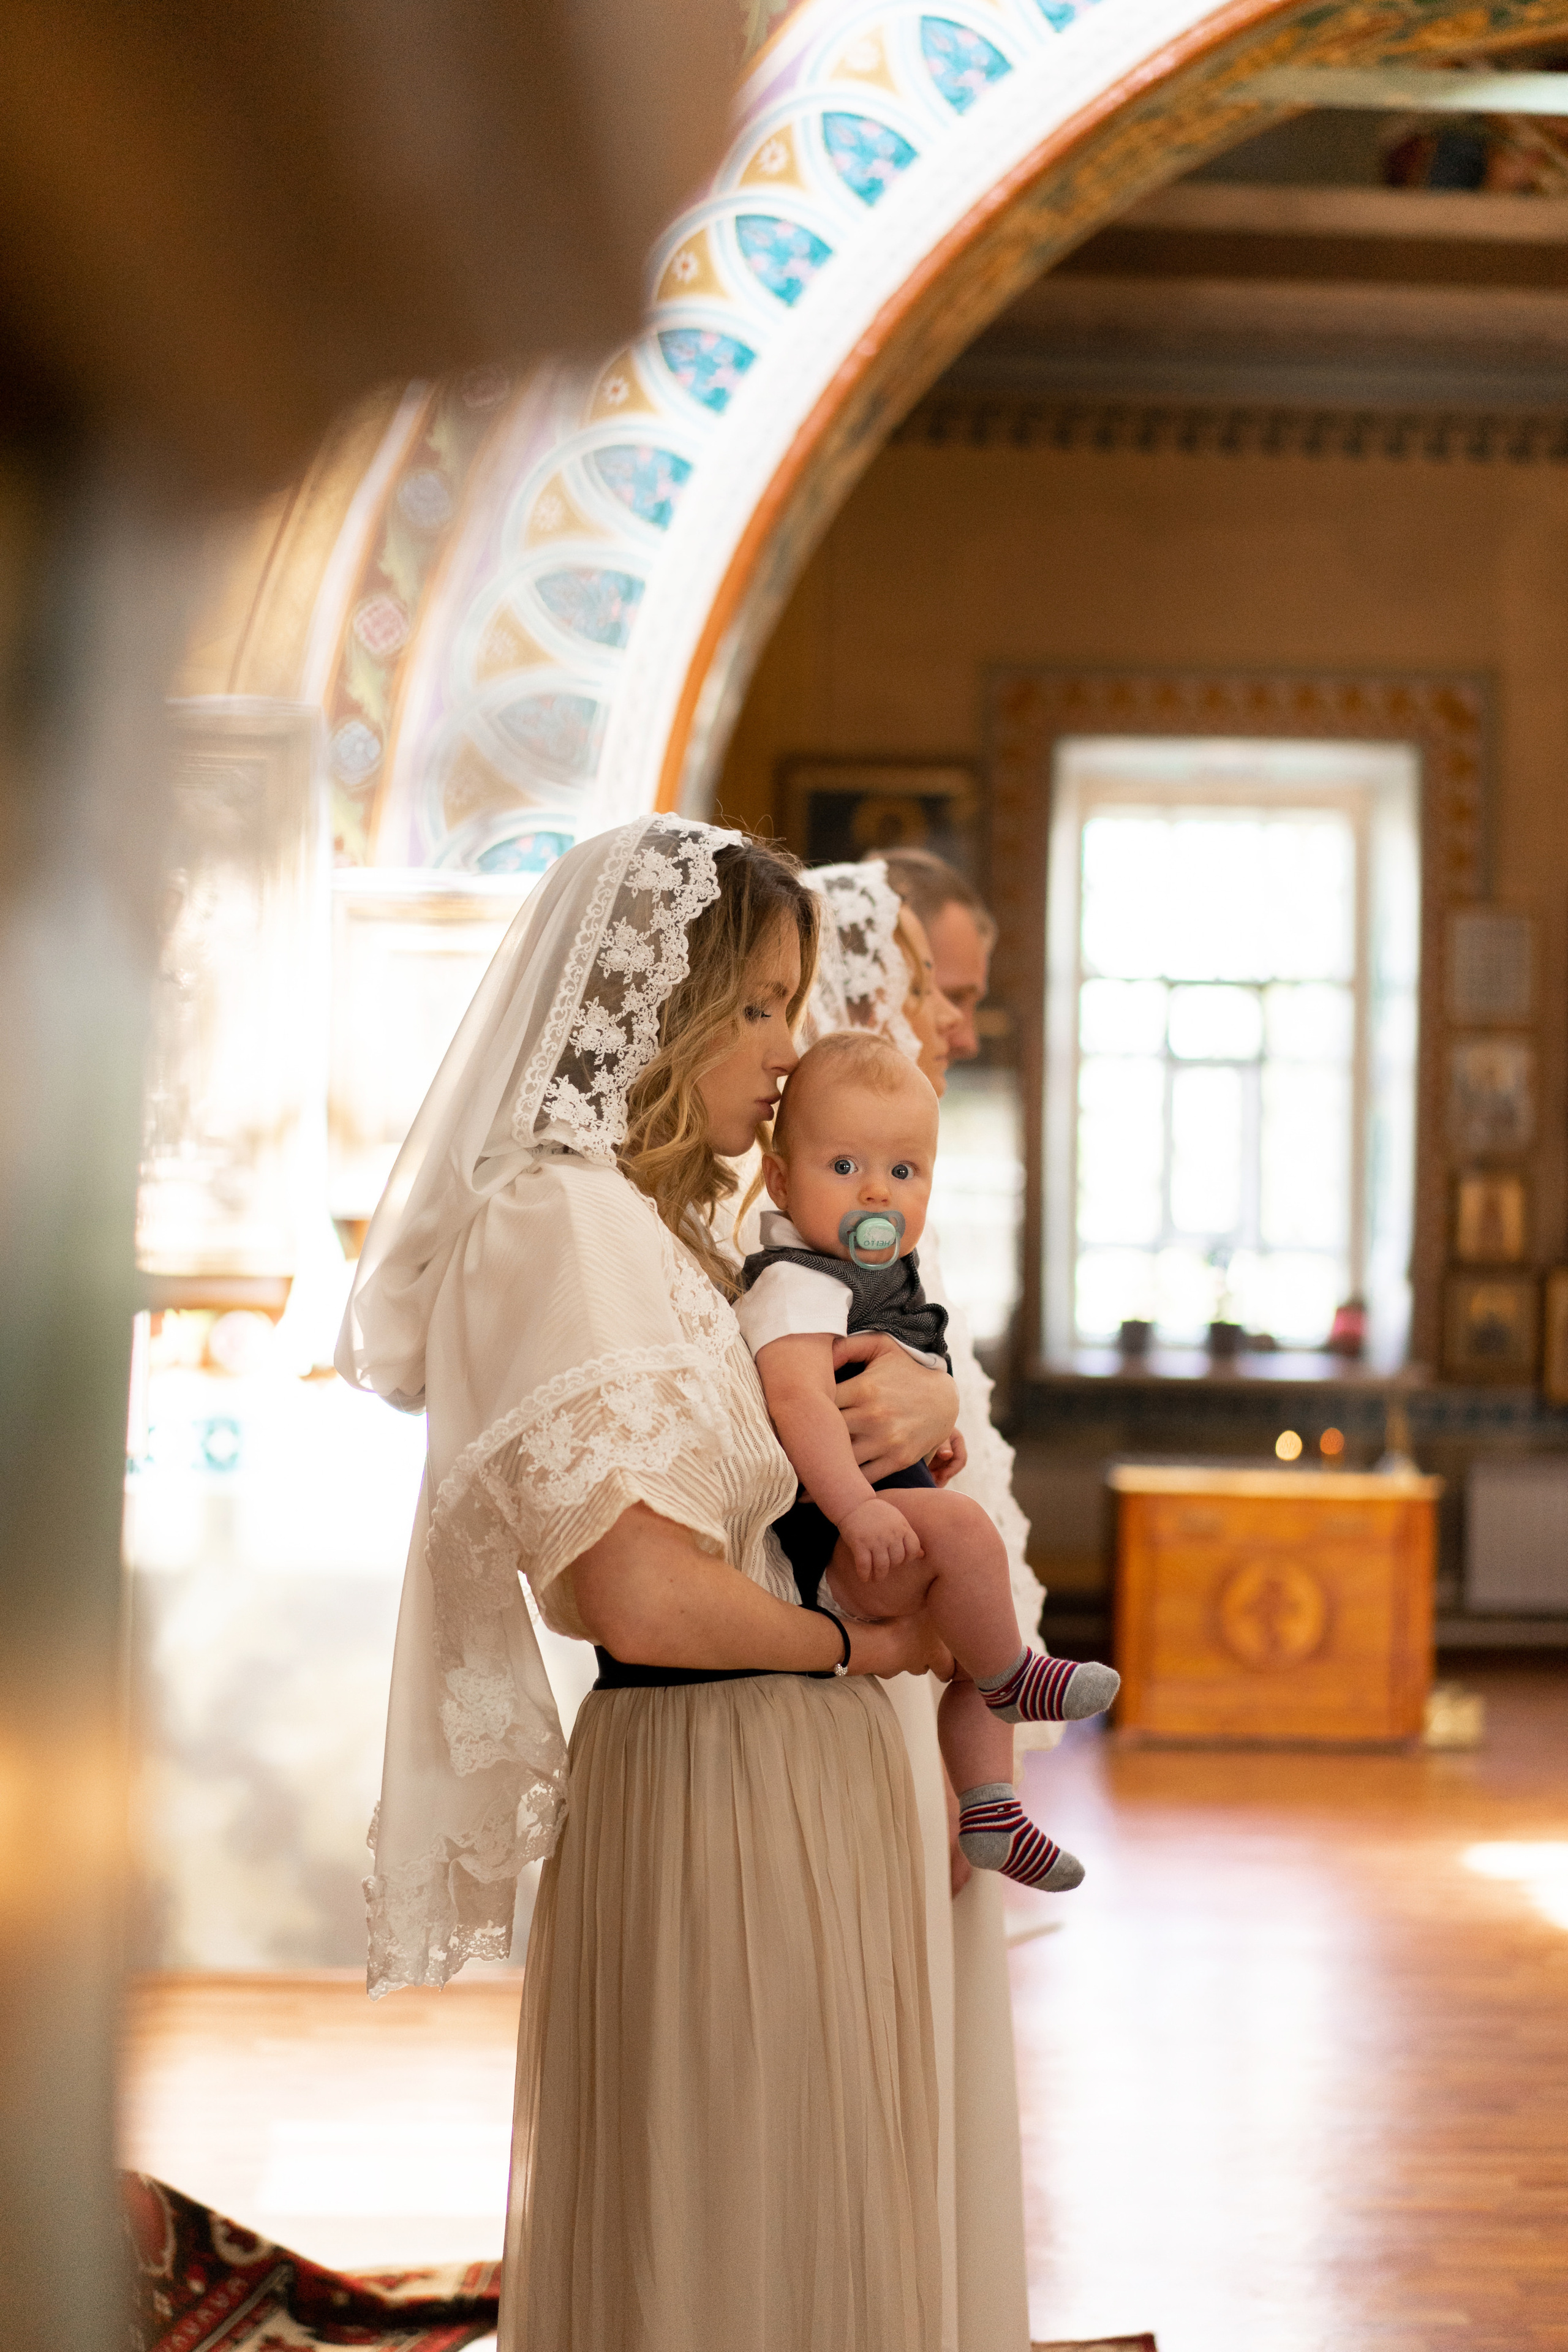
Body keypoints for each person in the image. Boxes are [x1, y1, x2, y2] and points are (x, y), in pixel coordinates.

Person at [337, 816, 959, 2352]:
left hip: (792, 1758)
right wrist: (851, 1644)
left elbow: (825, 1409)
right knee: (720, 2223)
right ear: (654, 1009)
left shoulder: (679, 1229)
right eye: (749, 1005)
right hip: (710, 1774)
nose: (783, 1047)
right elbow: (637, 1594)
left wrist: (923, 1411)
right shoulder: (555, 1218)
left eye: (787, 1002)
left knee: (806, 2203)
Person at [735, 1028, 1118, 1889]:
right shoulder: (797, 1279)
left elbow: (883, 1391)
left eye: (904, 1173)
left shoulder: (888, 1278)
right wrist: (862, 1507)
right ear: (781, 1179)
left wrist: (923, 1449)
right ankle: (1018, 1683)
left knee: (969, 1636)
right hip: (830, 1542)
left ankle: (990, 1811)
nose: (878, 1190)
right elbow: (797, 1401)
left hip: (875, 1520)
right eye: (845, 1167)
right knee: (972, 1543)